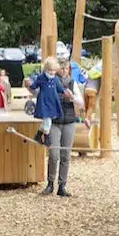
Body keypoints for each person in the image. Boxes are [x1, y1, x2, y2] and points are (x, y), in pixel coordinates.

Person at [40, 59, 84, 197]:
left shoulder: (72, 82)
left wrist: (72, 98)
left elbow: (81, 102)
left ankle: (62, 186)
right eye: (62, 69)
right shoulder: (51, 81)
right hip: (55, 121)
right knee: (54, 154)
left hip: (69, 121)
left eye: (66, 68)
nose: (64, 71)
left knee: (65, 155)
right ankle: (50, 183)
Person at [26, 57, 73, 144]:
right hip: (44, 102)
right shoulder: (41, 77)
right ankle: (47, 137)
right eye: (49, 70)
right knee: (48, 121)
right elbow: (34, 86)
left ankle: (38, 135)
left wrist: (66, 92)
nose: (51, 72)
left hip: (52, 103)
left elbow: (60, 88)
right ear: (46, 69)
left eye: (53, 71)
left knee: (46, 121)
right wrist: (29, 84)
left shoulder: (55, 79)